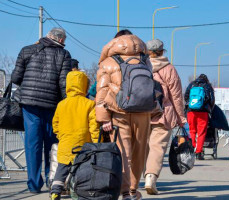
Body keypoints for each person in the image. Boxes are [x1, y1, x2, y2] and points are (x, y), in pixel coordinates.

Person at [11, 28, 72, 193]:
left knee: (33, 144)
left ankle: (34, 184)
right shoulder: (64, 54)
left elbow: (15, 78)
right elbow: (63, 83)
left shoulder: (27, 50)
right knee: (52, 144)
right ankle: (52, 180)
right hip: (52, 105)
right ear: (60, 40)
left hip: (29, 104)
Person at [96, 29, 149, 200]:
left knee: (122, 153)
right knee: (139, 153)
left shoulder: (109, 62)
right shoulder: (145, 60)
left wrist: (104, 118)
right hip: (143, 113)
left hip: (119, 114)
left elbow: (102, 91)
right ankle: (134, 190)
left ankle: (125, 192)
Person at [144, 39, 186, 195]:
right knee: (157, 147)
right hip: (163, 113)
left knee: (141, 148)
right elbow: (176, 96)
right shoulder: (169, 69)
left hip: (141, 113)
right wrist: (181, 118)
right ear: (162, 51)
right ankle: (150, 177)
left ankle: (135, 180)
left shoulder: (141, 66)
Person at [50, 71, 100, 200]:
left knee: (61, 169)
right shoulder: (89, 104)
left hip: (65, 143)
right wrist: (96, 142)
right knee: (81, 170)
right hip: (83, 144)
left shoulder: (61, 104)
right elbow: (93, 126)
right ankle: (76, 192)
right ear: (84, 86)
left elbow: (55, 124)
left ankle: (55, 191)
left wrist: (60, 136)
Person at [185, 74, 215, 160]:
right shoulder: (207, 86)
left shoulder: (191, 84)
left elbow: (186, 96)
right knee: (201, 132)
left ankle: (191, 150)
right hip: (203, 112)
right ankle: (198, 152)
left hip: (191, 111)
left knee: (192, 131)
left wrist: (190, 105)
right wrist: (209, 109)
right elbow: (212, 100)